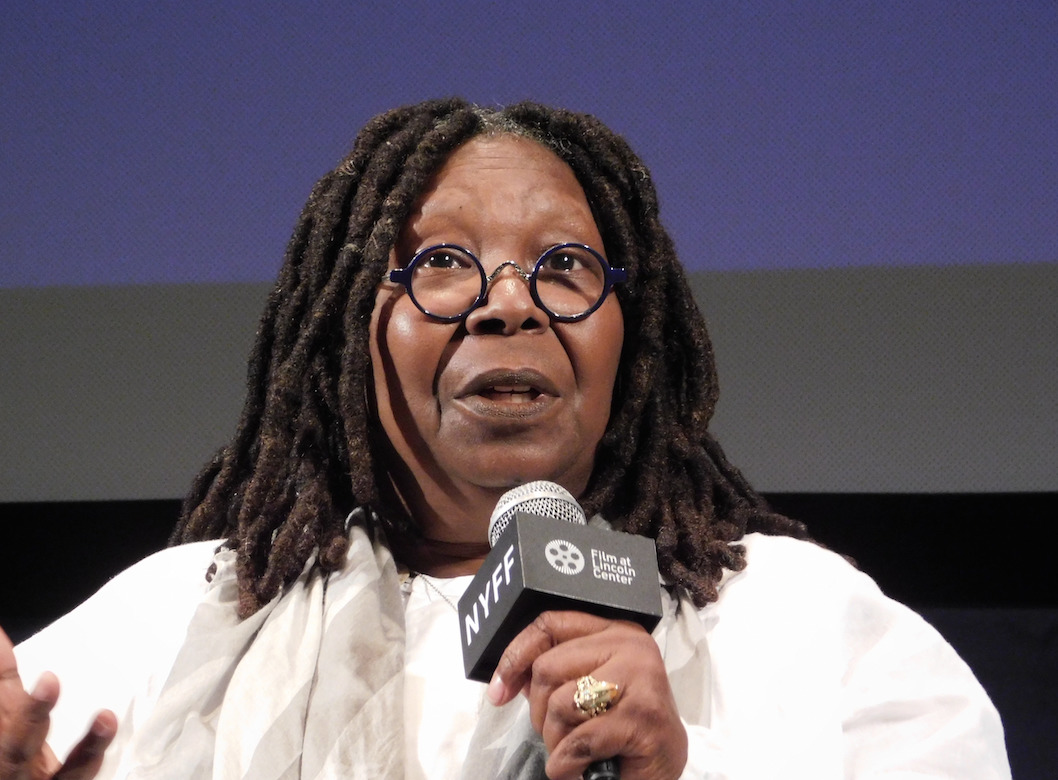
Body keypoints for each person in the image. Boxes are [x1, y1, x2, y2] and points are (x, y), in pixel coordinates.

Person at [2, 99, 1009, 780]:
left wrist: (683, 768)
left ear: (631, 339)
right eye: (441, 262)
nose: (509, 304)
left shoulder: (800, 619)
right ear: (347, 327)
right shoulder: (167, 623)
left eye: (565, 265)